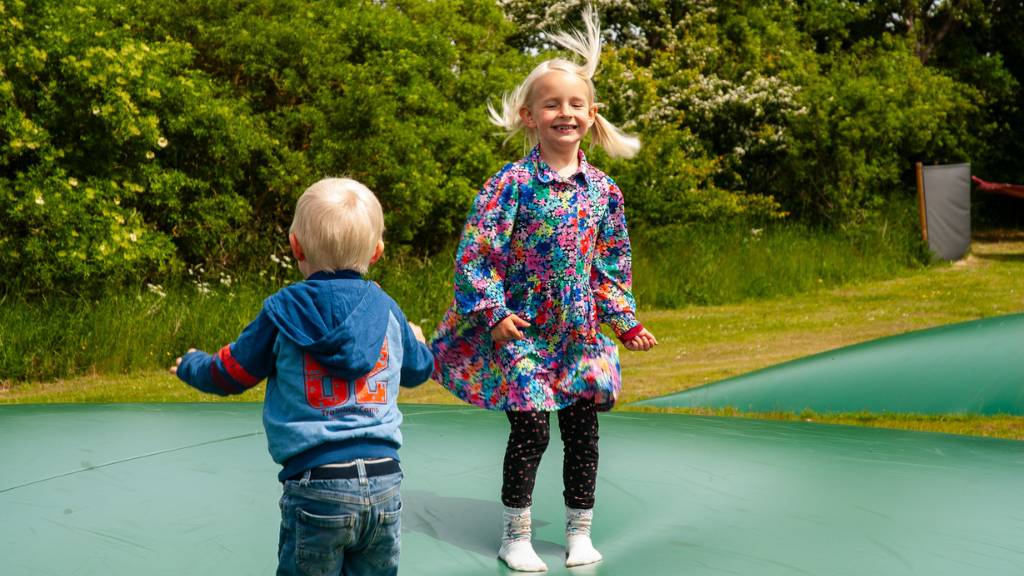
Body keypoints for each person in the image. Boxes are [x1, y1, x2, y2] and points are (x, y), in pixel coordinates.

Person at [430, 6, 657, 572]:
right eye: (552, 104)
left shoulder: (604, 191)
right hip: (523, 332)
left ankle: (579, 532)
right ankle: (517, 535)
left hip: (579, 334)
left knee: (583, 430)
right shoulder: (510, 184)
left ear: (591, 115)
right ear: (529, 116)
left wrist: (624, 320)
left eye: (575, 104)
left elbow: (611, 265)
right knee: (531, 428)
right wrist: (491, 310)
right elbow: (477, 253)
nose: (565, 112)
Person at [170, 178, 434, 576]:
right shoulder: (389, 310)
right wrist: (417, 340)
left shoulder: (283, 311)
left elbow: (230, 373)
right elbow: (418, 370)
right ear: (377, 252)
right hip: (385, 481)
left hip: (317, 485)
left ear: (296, 246)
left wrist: (191, 364)